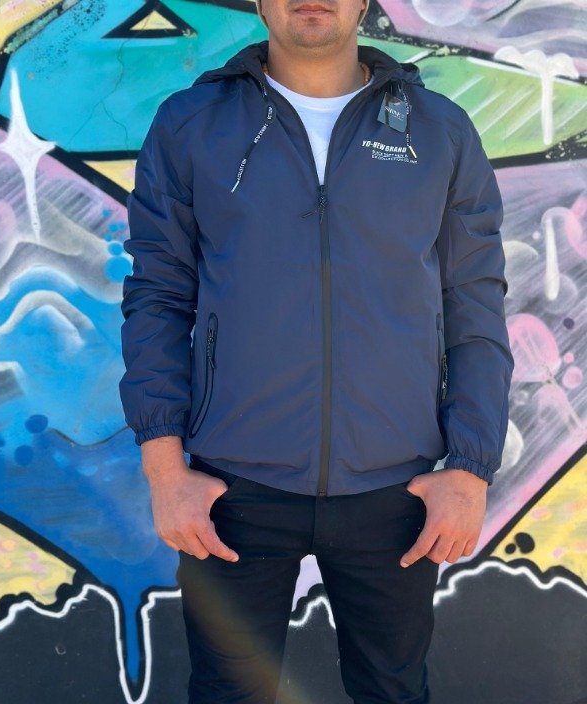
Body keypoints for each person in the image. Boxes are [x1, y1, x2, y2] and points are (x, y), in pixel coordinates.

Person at [118, 0, 514, 701]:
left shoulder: (439, 131)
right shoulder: (191, 124)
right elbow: (158, 297)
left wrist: (470, 468)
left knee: (393, 692)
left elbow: (475, 307)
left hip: (396, 489)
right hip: (232, 487)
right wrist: (165, 471)